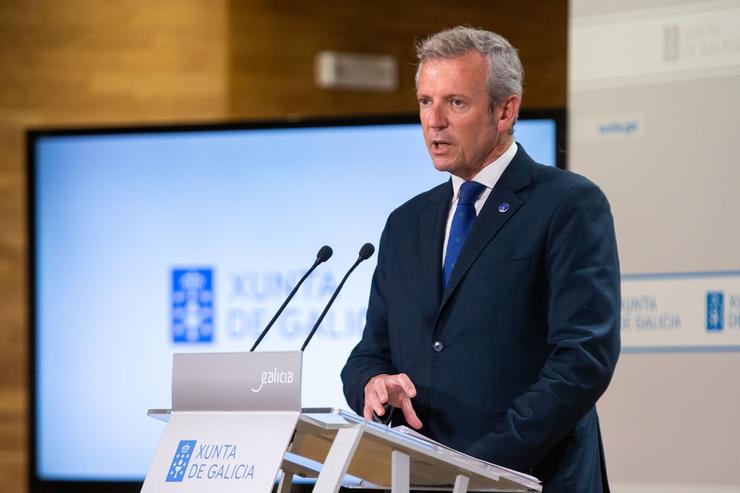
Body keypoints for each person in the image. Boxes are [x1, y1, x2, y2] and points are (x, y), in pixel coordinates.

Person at [341, 26, 620, 492]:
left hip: (531, 477)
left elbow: (583, 358)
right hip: (422, 478)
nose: (434, 121)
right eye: (426, 102)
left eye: (455, 102)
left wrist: (483, 464)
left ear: (505, 110)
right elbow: (369, 353)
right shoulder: (406, 223)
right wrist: (373, 383)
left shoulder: (567, 205)